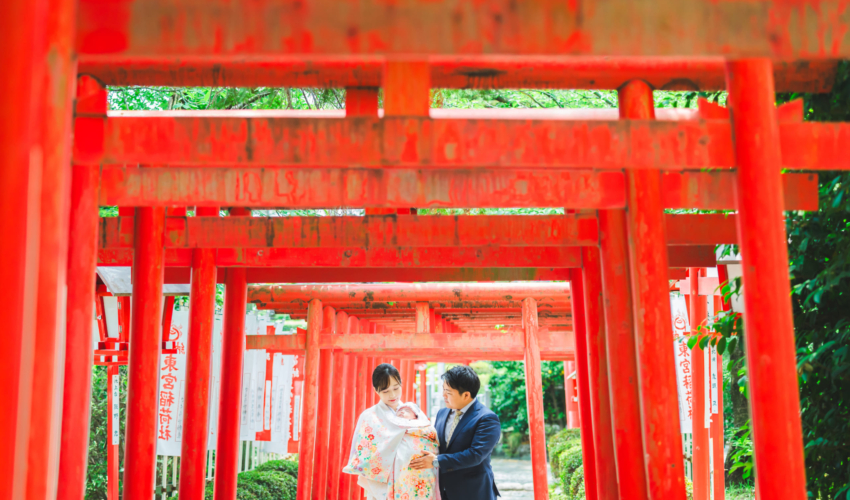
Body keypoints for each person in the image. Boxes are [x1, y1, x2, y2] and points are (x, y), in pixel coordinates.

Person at [343, 363, 440, 500]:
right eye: (385, 391)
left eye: (396, 388)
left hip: (415, 480)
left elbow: (428, 438)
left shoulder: (413, 412)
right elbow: (365, 454)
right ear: (376, 391)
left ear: (401, 384)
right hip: (384, 485)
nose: (393, 395)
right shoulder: (369, 417)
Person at [410, 365, 501, 500]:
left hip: (473, 492)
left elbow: (475, 455)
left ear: (466, 395)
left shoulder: (487, 418)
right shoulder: (442, 413)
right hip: (444, 492)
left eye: (448, 392)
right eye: (443, 390)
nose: (443, 395)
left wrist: (436, 461)